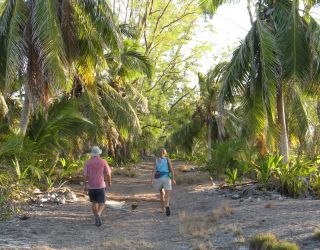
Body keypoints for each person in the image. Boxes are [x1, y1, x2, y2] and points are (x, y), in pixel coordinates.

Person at [83, 146, 112, 227]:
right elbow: (108, 174)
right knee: (102, 203)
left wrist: (85, 185)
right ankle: (98, 215)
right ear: (99, 153)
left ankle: (96, 216)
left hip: (91, 186)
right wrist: (109, 182)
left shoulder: (88, 162)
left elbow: (85, 175)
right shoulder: (103, 161)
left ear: (92, 154)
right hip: (100, 186)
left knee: (94, 202)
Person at [151, 148, 176, 216]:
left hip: (159, 178)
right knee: (167, 195)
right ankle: (167, 205)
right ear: (165, 153)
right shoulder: (168, 159)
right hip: (167, 178)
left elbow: (153, 170)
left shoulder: (156, 160)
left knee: (161, 194)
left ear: (159, 153)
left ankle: (162, 209)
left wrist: (152, 179)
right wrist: (173, 179)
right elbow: (171, 170)